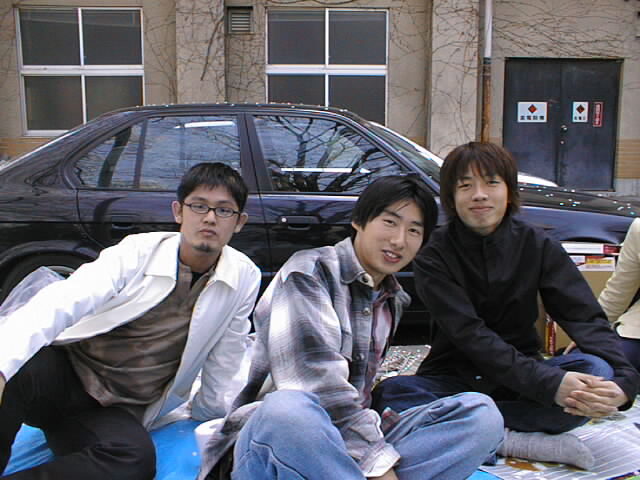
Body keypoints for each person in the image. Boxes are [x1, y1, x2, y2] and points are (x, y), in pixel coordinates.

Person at [197, 174, 503, 480]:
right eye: (390, 222)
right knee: (289, 409)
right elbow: (317, 386)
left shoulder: (393, 299)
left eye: (414, 230)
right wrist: (380, 467)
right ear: (358, 221)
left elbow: (357, 396)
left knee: (481, 416)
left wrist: (378, 448)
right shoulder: (307, 273)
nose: (399, 240)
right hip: (273, 447)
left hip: (338, 453)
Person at [372, 142, 640, 470]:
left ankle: (475, 430)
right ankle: (508, 439)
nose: (479, 195)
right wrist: (550, 385)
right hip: (456, 380)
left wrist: (624, 383)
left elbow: (584, 317)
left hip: (522, 381)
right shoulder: (434, 253)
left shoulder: (537, 244)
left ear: (509, 192)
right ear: (451, 198)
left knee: (596, 372)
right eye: (465, 186)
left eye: (491, 183)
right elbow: (471, 335)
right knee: (391, 394)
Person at [0, 162, 261, 479]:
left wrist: (212, 417)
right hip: (62, 377)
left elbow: (227, 355)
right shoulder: (137, 252)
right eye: (199, 206)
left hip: (113, 411)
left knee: (132, 460)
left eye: (224, 210)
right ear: (179, 211)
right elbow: (62, 301)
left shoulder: (244, 276)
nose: (209, 218)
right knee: (15, 368)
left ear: (239, 222)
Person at [594, 217, 640, 370]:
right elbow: (620, 289)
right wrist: (591, 330)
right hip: (635, 332)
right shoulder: (639, 228)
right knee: (593, 364)